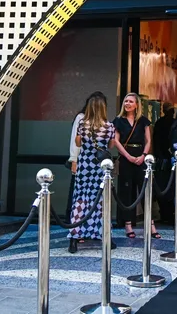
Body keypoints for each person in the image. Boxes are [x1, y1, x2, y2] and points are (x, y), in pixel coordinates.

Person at [68, 94, 117, 253]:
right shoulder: (109, 126)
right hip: (99, 167)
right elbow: (111, 145)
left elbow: (78, 143)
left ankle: (74, 236)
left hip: (84, 166)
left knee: (80, 200)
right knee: (100, 200)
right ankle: (103, 235)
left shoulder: (82, 124)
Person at [112, 93, 159, 239]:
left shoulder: (143, 121)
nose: (127, 103)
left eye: (131, 101)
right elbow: (116, 141)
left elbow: (148, 140)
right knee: (126, 192)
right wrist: (128, 156)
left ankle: (151, 224)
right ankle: (128, 225)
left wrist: (143, 155)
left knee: (145, 191)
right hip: (126, 157)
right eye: (126, 101)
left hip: (141, 156)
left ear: (137, 104)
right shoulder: (118, 120)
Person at [66, 92, 105, 221]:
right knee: (79, 192)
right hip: (83, 160)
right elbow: (75, 141)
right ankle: (74, 220)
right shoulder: (81, 118)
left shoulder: (103, 122)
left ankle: (91, 220)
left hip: (96, 163)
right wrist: (74, 160)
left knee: (93, 193)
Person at [152, 101, 176, 224]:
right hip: (171, 158)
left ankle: (164, 213)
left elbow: (156, 141)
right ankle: (171, 213)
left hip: (161, 159)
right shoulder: (175, 123)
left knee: (162, 186)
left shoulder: (159, 123)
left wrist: (158, 155)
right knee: (171, 186)